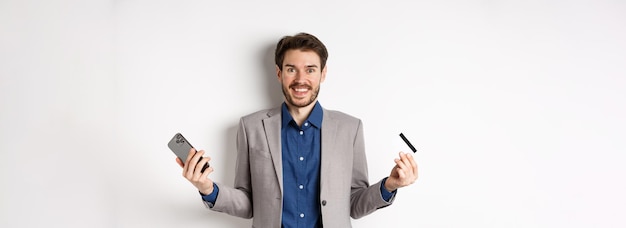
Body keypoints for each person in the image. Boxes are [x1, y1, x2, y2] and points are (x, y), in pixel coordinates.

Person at [176, 32, 418, 227]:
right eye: (291, 69)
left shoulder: (350, 128)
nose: (300, 79)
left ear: (323, 74)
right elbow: (249, 204)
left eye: (310, 69)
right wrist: (207, 188)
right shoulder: (251, 126)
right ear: (279, 73)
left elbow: (354, 204)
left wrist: (389, 185)